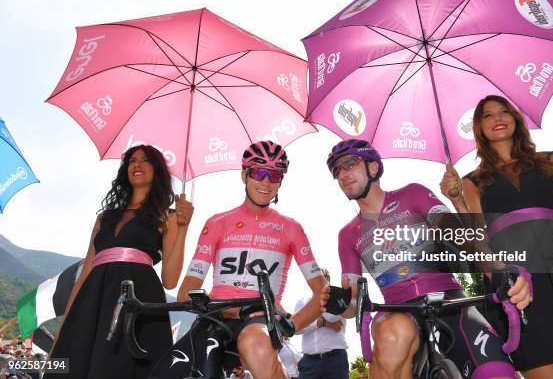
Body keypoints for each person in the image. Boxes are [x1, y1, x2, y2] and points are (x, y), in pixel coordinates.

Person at [327, 139, 532, 379]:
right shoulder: (347, 234)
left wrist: (502, 268)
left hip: (450, 299)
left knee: (498, 373)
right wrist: (338, 302)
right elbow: (352, 305)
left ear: (373, 167)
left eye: (350, 163)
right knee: (394, 334)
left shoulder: (412, 193)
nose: (342, 174)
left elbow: (455, 232)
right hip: (396, 310)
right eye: (336, 170)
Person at [440, 95, 553, 379]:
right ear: (479, 128)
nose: (497, 118)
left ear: (515, 119)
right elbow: (481, 245)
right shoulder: (472, 182)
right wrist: (458, 202)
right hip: (523, 287)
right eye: (488, 115)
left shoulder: (551, 161)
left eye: (504, 111)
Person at [153, 141, 329, 379]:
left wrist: (291, 325)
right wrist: (219, 305)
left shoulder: (292, 229)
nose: (266, 182)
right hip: (216, 319)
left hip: (259, 322)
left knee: (256, 344)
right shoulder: (216, 223)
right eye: (259, 172)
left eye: (275, 176)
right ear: (245, 174)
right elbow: (186, 292)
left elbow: (322, 292)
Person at [47, 145, 194, 378]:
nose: (137, 164)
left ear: (157, 170)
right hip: (93, 298)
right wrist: (65, 323)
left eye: (145, 160)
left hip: (138, 300)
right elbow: (85, 273)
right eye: (132, 160)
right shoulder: (104, 218)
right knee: (75, 364)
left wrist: (183, 228)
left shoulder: (169, 216)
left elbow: (170, 280)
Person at [294, 268, 348, 379]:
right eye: (315, 279)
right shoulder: (302, 302)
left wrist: (307, 320)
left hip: (335, 360)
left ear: (327, 281)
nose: (318, 282)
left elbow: (333, 318)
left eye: (322, 279)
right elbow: (296, 329)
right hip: (309, 363)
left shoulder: (339, 300)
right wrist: (321, 323)